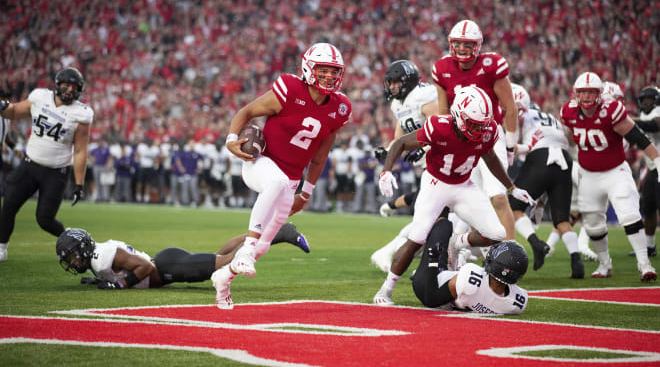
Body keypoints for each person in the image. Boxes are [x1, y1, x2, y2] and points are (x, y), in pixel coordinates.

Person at [210, 42, 352, 309]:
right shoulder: (289, 88)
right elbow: (247, 112)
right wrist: (231, 139)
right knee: (274, 186)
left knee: (265, 244)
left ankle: (223, 277)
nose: (330, 76)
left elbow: (320, 155)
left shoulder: (340, 107)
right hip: (260, 164)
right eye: (324, 70)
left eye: (334, 71)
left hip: (292, 179)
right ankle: (247, 250)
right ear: (309, 68)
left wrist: (306, 192)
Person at [373, 86, 535, 305]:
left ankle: (457, 243)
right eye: (473, 124)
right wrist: (386, 171)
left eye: (481, 125)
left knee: (497, 233)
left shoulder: (488, 130)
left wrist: (511, 187)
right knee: (417, 238)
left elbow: (490, 158)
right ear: (458, 116)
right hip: (435, 184)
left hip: (463, 185)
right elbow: (401, 143)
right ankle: (385, 290)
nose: (478, 130)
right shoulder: (439, 126)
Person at [560, 72, 660, 281]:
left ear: (600, 94)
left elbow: (638, 138)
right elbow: (570, 136)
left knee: (629, 214)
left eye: (591, 92)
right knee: (594, 226)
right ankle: (605, 264)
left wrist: (658, 161)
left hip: (615, 171)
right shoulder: (568, 111)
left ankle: (644, 264)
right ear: (576, 94)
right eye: (582, 92)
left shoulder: (610, 110)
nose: (587, 96)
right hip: (588, 175)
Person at [431, 20, 519, 241]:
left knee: (497, 196)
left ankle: (510, 249)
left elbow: (510, 107)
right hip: (460, 139)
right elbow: (443, 112)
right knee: (467, 201)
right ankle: (463, 249)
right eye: (458, 43)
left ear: (478, 46)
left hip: (490, 135)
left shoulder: (491, 65)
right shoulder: (442, 68)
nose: (462, 48)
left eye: (468, 44)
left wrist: (509, 144)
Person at [0, 67, 93, 262]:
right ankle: (1, 248)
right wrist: (3, 106)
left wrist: (79, 183)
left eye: (73, 86)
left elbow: (80, 150)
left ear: (79, 90)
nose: (69, 90)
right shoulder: (40, 97)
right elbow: (15, 111)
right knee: (8, 205)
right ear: (57, 85)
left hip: (55, 172)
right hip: (30, 164)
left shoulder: (81, 113)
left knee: (45, 220)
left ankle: (75, 240)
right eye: (66, 85)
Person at [56, 224, 310, 289]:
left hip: (168, 268)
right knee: (220, 256)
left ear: (83, 249)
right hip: (167, 264)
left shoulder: (101, 257)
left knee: (227, 262)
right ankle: (271, 231)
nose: (73, 263)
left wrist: (119, 285)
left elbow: (143, 267)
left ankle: (280, 234)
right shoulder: (97, 257)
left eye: (72, 257)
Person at [509, 84, 584, 278]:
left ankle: (536, 243)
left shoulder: (521, 114)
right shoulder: (551, 118)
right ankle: (576, 261)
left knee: (513, 207)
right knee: (561, 218)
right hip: (565, 160)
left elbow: (513, 143)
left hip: (541, 157)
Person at [371, 60, 439, 272]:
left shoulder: (424, 95)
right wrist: (389, 151)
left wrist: (424, 148)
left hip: (447, 160)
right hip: (433, 168)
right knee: (432, 217)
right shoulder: (397, 104)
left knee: (432, 217)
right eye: (389, 83)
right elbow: (400, 139)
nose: (391, 87)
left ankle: (392, 253)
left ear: (408, 81)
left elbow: (441, 127)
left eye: (395, 82)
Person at [412, 220, 528, 314]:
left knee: (444, 225)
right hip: (453, 288)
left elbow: (430, 298)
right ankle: (458, 259)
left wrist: (433, 261)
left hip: (431, 283)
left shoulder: (471, 278)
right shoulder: (517, 303)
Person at [632, 86, 660, 258]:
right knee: (648, 207)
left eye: (648, 99)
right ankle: (650, 246)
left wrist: (630, 121)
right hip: (652, 167)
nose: (644, 103)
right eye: (643, 100)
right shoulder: (644, 114)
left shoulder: (657, 111)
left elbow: (655, 125)